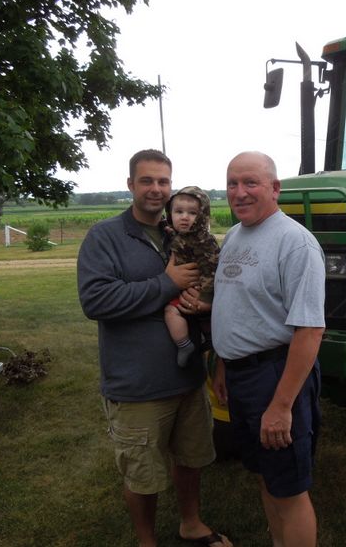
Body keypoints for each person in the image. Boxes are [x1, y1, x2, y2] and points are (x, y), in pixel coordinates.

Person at [77, 149, 231, 547]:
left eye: (163, 181)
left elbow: (212, 282)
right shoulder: (106, 237)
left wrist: (204, 305)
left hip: (187, 378)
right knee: (142, 474)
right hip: (138, 384)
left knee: (191, 459)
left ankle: (190, 523)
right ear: (131, 184)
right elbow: (95, 301)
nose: (156, 189)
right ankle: (147, 542)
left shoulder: (178, 232)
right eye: (146, 180)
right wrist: (167, 283)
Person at [211, 151, 325, 547]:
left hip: (275, 376)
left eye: (250, 183)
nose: (239, 192)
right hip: (241, 376)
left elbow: (310, 330)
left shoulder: (295, 243)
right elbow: (235, 306)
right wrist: (224, 364)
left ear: (274, 188)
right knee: (265, 476)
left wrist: (281, 406)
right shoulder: (235, 236)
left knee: (289, 490)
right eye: (232, 184)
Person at [162, 186, 220, 368]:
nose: (184, 217)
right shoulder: (178, 235)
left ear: (202, 216)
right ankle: (187, 343)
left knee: (173, 312)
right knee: (173, 313)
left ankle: (189, 344)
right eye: (179, 212)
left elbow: (211, 268)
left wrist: (206, 296)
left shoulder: (204, 241)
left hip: (200, 289)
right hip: (182, 287)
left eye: (192, 213)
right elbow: (177, 238)